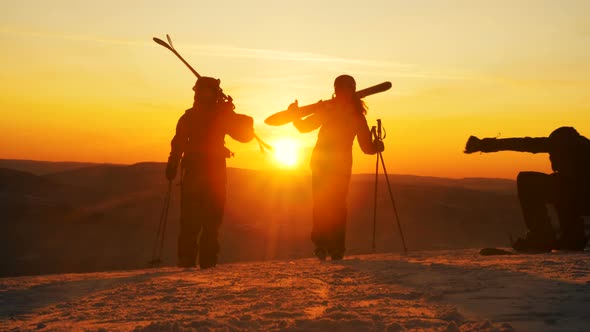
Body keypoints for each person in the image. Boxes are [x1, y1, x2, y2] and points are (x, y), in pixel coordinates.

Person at [288, 74, 385, 260]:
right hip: (335, 165)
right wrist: (376, 147)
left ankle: (325, 246)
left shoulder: (330, 110)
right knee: (335, 206)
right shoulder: (354, 116)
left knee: (325, 204)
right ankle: (331, 247)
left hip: (326, 164)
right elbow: (367, 147)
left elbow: (304, 126)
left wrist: (294, 115)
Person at [166, 76, 254, 268]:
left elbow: (245, 135)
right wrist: (230, 111)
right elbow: (246, 135)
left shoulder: (195, 116)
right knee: (203, 221)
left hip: (202, 172)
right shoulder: (215, 115)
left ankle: (194, 262)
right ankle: (200, 262)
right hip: (210, 172)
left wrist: (173, 164)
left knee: (204, 222)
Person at [464, 126, 590, 252]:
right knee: (561, 184)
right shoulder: (581, 147)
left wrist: (484, 144)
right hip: (581, 197)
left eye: (552, 153)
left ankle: (542, 237)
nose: (552, 157)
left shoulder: (564, 143)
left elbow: (525, 143)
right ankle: (573, 237)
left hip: (579, 195)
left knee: (528, 181)